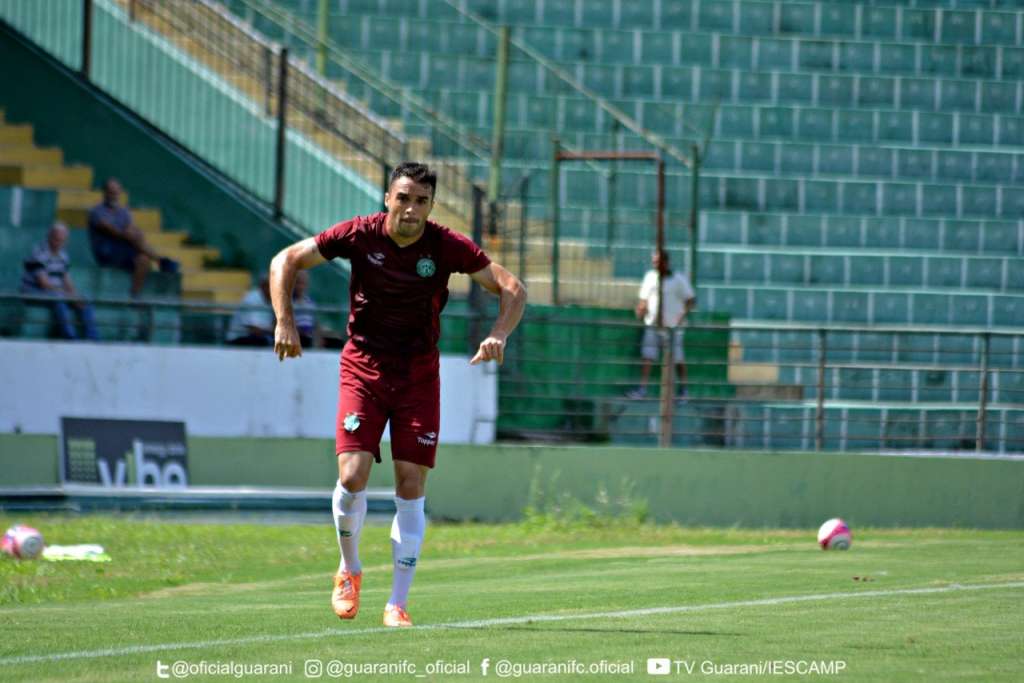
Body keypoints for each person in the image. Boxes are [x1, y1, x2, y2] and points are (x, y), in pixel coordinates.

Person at [269, 162, 526, 628]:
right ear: (388, 197)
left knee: (411, 484)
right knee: (352, 475)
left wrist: (499, 334)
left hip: (418, 376)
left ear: (430, 206)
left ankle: (397, 603)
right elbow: (283, 260)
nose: (410, 209)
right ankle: (349, 569)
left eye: (421, 201)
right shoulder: (358, 235)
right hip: (363, 368)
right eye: (403, 197)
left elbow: (512, 287)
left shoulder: (446, 246)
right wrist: (285, 320)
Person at [87, 177, 179, 297]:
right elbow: (113, 231)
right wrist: (130, 234)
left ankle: (134, 295)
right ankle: (161, 261)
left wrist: (134, 234)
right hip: (106, 251)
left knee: (144, 260)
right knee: (134, 236)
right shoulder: (96, 211)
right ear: (104, 192)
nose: (114, 195)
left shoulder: (124, 211)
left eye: (116, 192)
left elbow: (131, 229)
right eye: (111, 192)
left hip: (125, 249)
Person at [627, 250, 696, 400]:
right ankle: (642, 389)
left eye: (658, 261)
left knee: (677, 359)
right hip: (652, 324)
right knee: (647, 356)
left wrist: (680, 317)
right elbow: (643, 299)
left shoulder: (678, 279)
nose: (655, 264)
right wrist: (641, 309)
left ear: (666, 262)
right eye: (654, 261)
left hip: (673, 327)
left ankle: (684, 390)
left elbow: (691, 300)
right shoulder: (650, 277)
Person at [20, 222, 99, 341]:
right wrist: (67, 295)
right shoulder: (38, 253)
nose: (58, 243)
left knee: (84, 300)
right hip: (33, 291)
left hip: (55, 292)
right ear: (49, 237)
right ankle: (70, 337)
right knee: (59, 299)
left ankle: (93, 338)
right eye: (56, 239)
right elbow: (44, 284)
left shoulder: (63, 255)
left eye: (62, 240)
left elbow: (67, 280)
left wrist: (75, 296)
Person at [225, 274, 275, 346]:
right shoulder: (251, 299)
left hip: (261, 337)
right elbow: (254, 330)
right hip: (238, 339)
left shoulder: (273, 300)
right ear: (264, 286)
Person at [292, 269, 318, 348]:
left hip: (308, 336)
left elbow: (315, 323)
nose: (300, 286)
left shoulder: (310, 302)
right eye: (298, 282)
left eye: (303, 283)